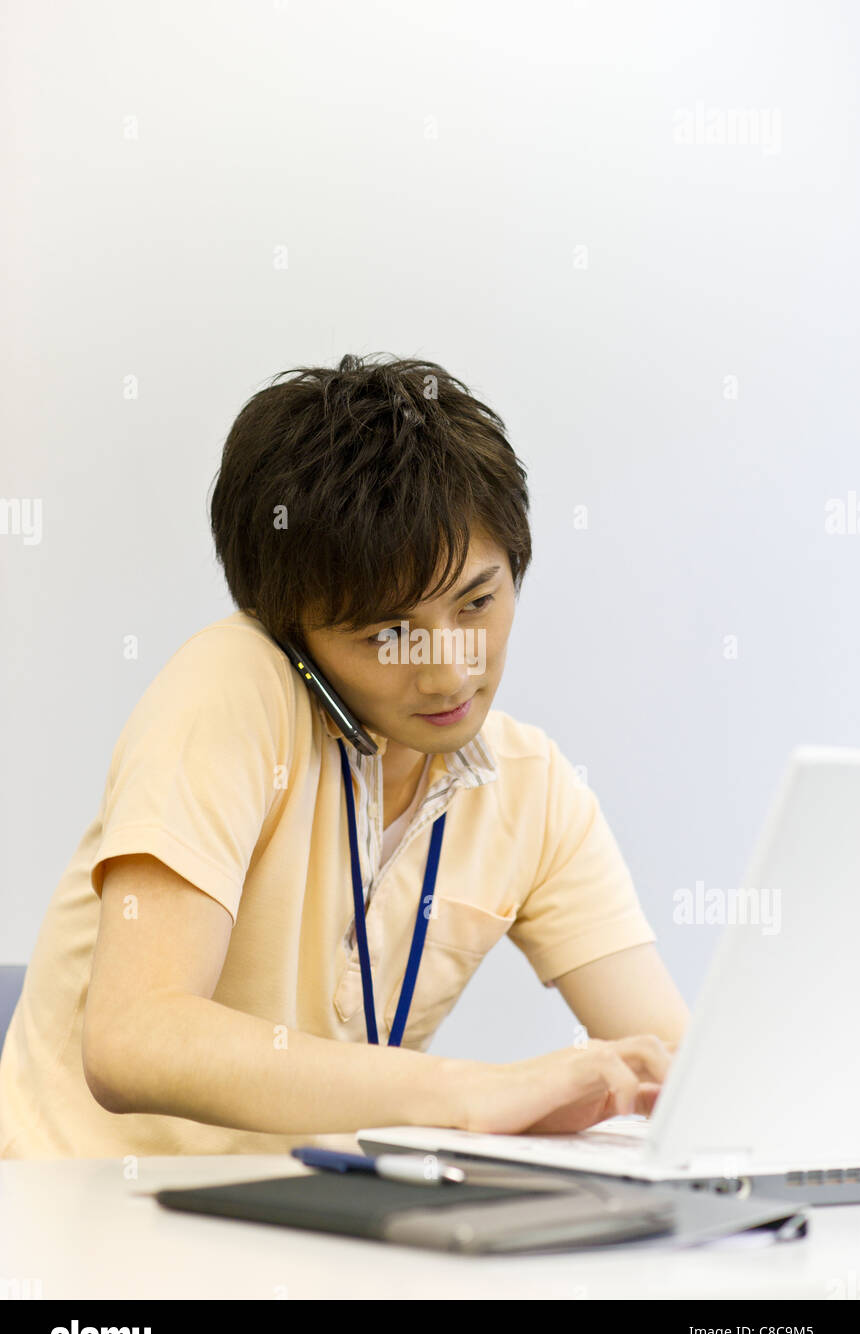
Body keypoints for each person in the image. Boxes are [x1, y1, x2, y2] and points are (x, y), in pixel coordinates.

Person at [0, 353, 689, 1159]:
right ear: (290, 632)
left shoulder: (532, 790)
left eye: (478, 600)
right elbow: (132, 1037)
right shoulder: (233, 687)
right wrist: (471, 1095)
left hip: (310, 1235)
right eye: (386, 633)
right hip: (84, 1232)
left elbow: (684, 1074)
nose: (452, 669)